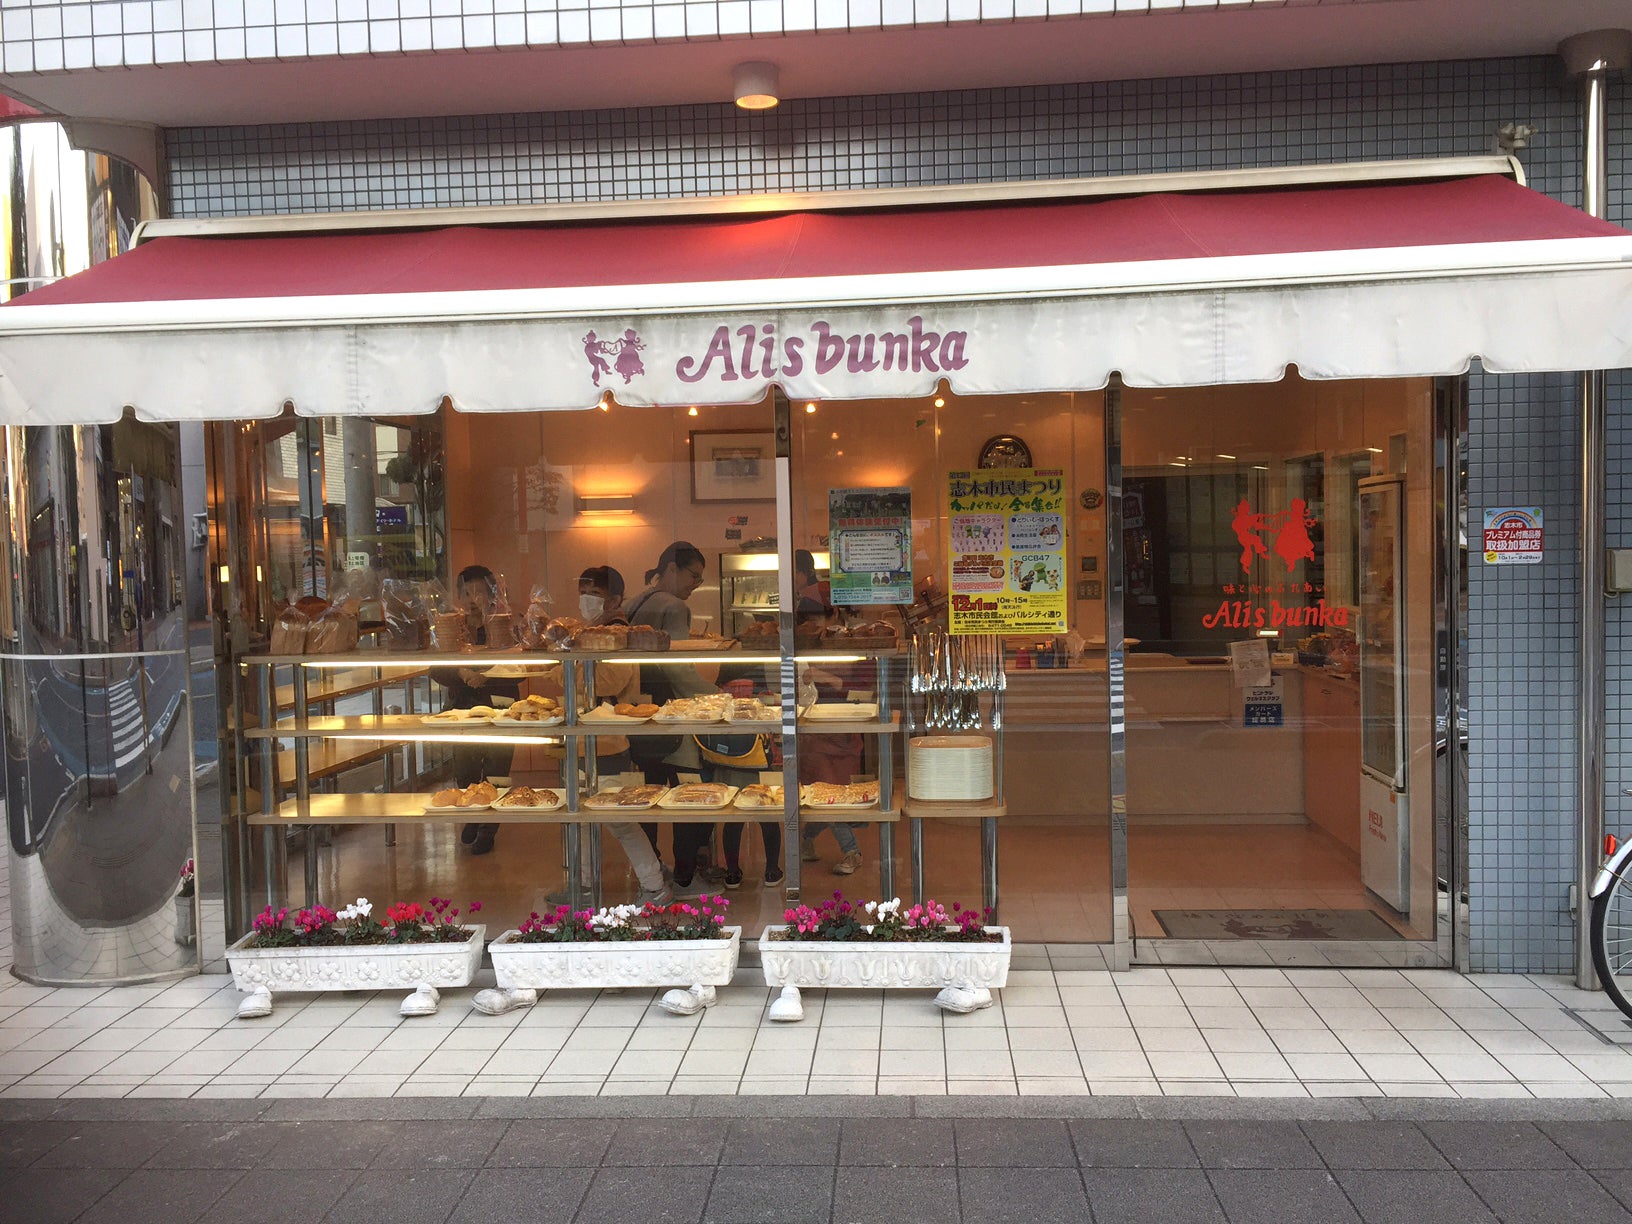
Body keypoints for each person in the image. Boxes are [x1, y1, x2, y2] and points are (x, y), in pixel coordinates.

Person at [538, 566, 671, 905]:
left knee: (620, 820)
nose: (586, 600)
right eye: (583, 593)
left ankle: (654, 886)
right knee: (579, 819)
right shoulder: (587, 633)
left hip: (609, 743)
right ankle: (583, 886)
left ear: (614, 600)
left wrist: (563, 670)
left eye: (594, 594)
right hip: (583, 741)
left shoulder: (619, 634)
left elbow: (609, 680)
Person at [625, 542, 717, 893]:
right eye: (694, 576)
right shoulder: (675, 606)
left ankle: (653, 869)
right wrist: (717, 696)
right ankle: (685, 877)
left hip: (638, 717)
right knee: (687, 795)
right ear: (672, 569)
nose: (696, 584)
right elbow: (677, 669)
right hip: (671, 717)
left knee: (647, 795)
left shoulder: (635, 602)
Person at [430, 564, 520, 856]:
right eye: (467, 593)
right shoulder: (452, 628)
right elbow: (435, 669)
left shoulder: (505, 624)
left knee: (497, 771)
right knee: (465, 770)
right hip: (462, 710)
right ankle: (472, 815)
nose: (472, 599)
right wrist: (460, 672)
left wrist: (488, 676)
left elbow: (520, 669)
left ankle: (489, 828)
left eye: (479, 592)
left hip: (502, 710)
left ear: (493, 594)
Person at [796, 582, 866, 876]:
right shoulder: (803, 644)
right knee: (826, 793)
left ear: (834, 614)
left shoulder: (853, 643)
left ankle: (807, 839)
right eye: (807, 621)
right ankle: (851, 850)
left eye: (818, 619)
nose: (813, 626)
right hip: (814, 733)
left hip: (844, 731)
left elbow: (864, 693)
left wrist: (827, 678)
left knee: (831, 794)